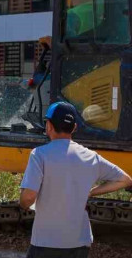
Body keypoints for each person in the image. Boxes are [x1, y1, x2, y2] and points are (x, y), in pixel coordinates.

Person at [20, 102, 132, 258]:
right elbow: (125, 180)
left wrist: (24, 202)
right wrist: (91, 192)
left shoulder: (39, 155)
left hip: (46, 242)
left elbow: (28, 197)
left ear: (49, 126)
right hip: (79, 243)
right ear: (73, 128)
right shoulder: (90, 157)